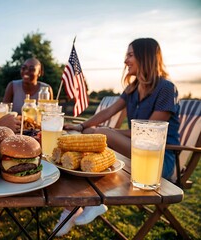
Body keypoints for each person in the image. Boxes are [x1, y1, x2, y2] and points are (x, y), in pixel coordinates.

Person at [53, 38, 180, 236]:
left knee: (101, 134)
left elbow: (150, 131)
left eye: (130, 55)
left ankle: (89, 203)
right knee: (89, 141)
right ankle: (78, 204)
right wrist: (82, 126)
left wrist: (108, 133)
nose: (125, 61)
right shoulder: (132, 89)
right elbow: (108, 111)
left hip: (157, 161)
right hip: (134, 150)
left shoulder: (166, 88)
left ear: (145, 57)